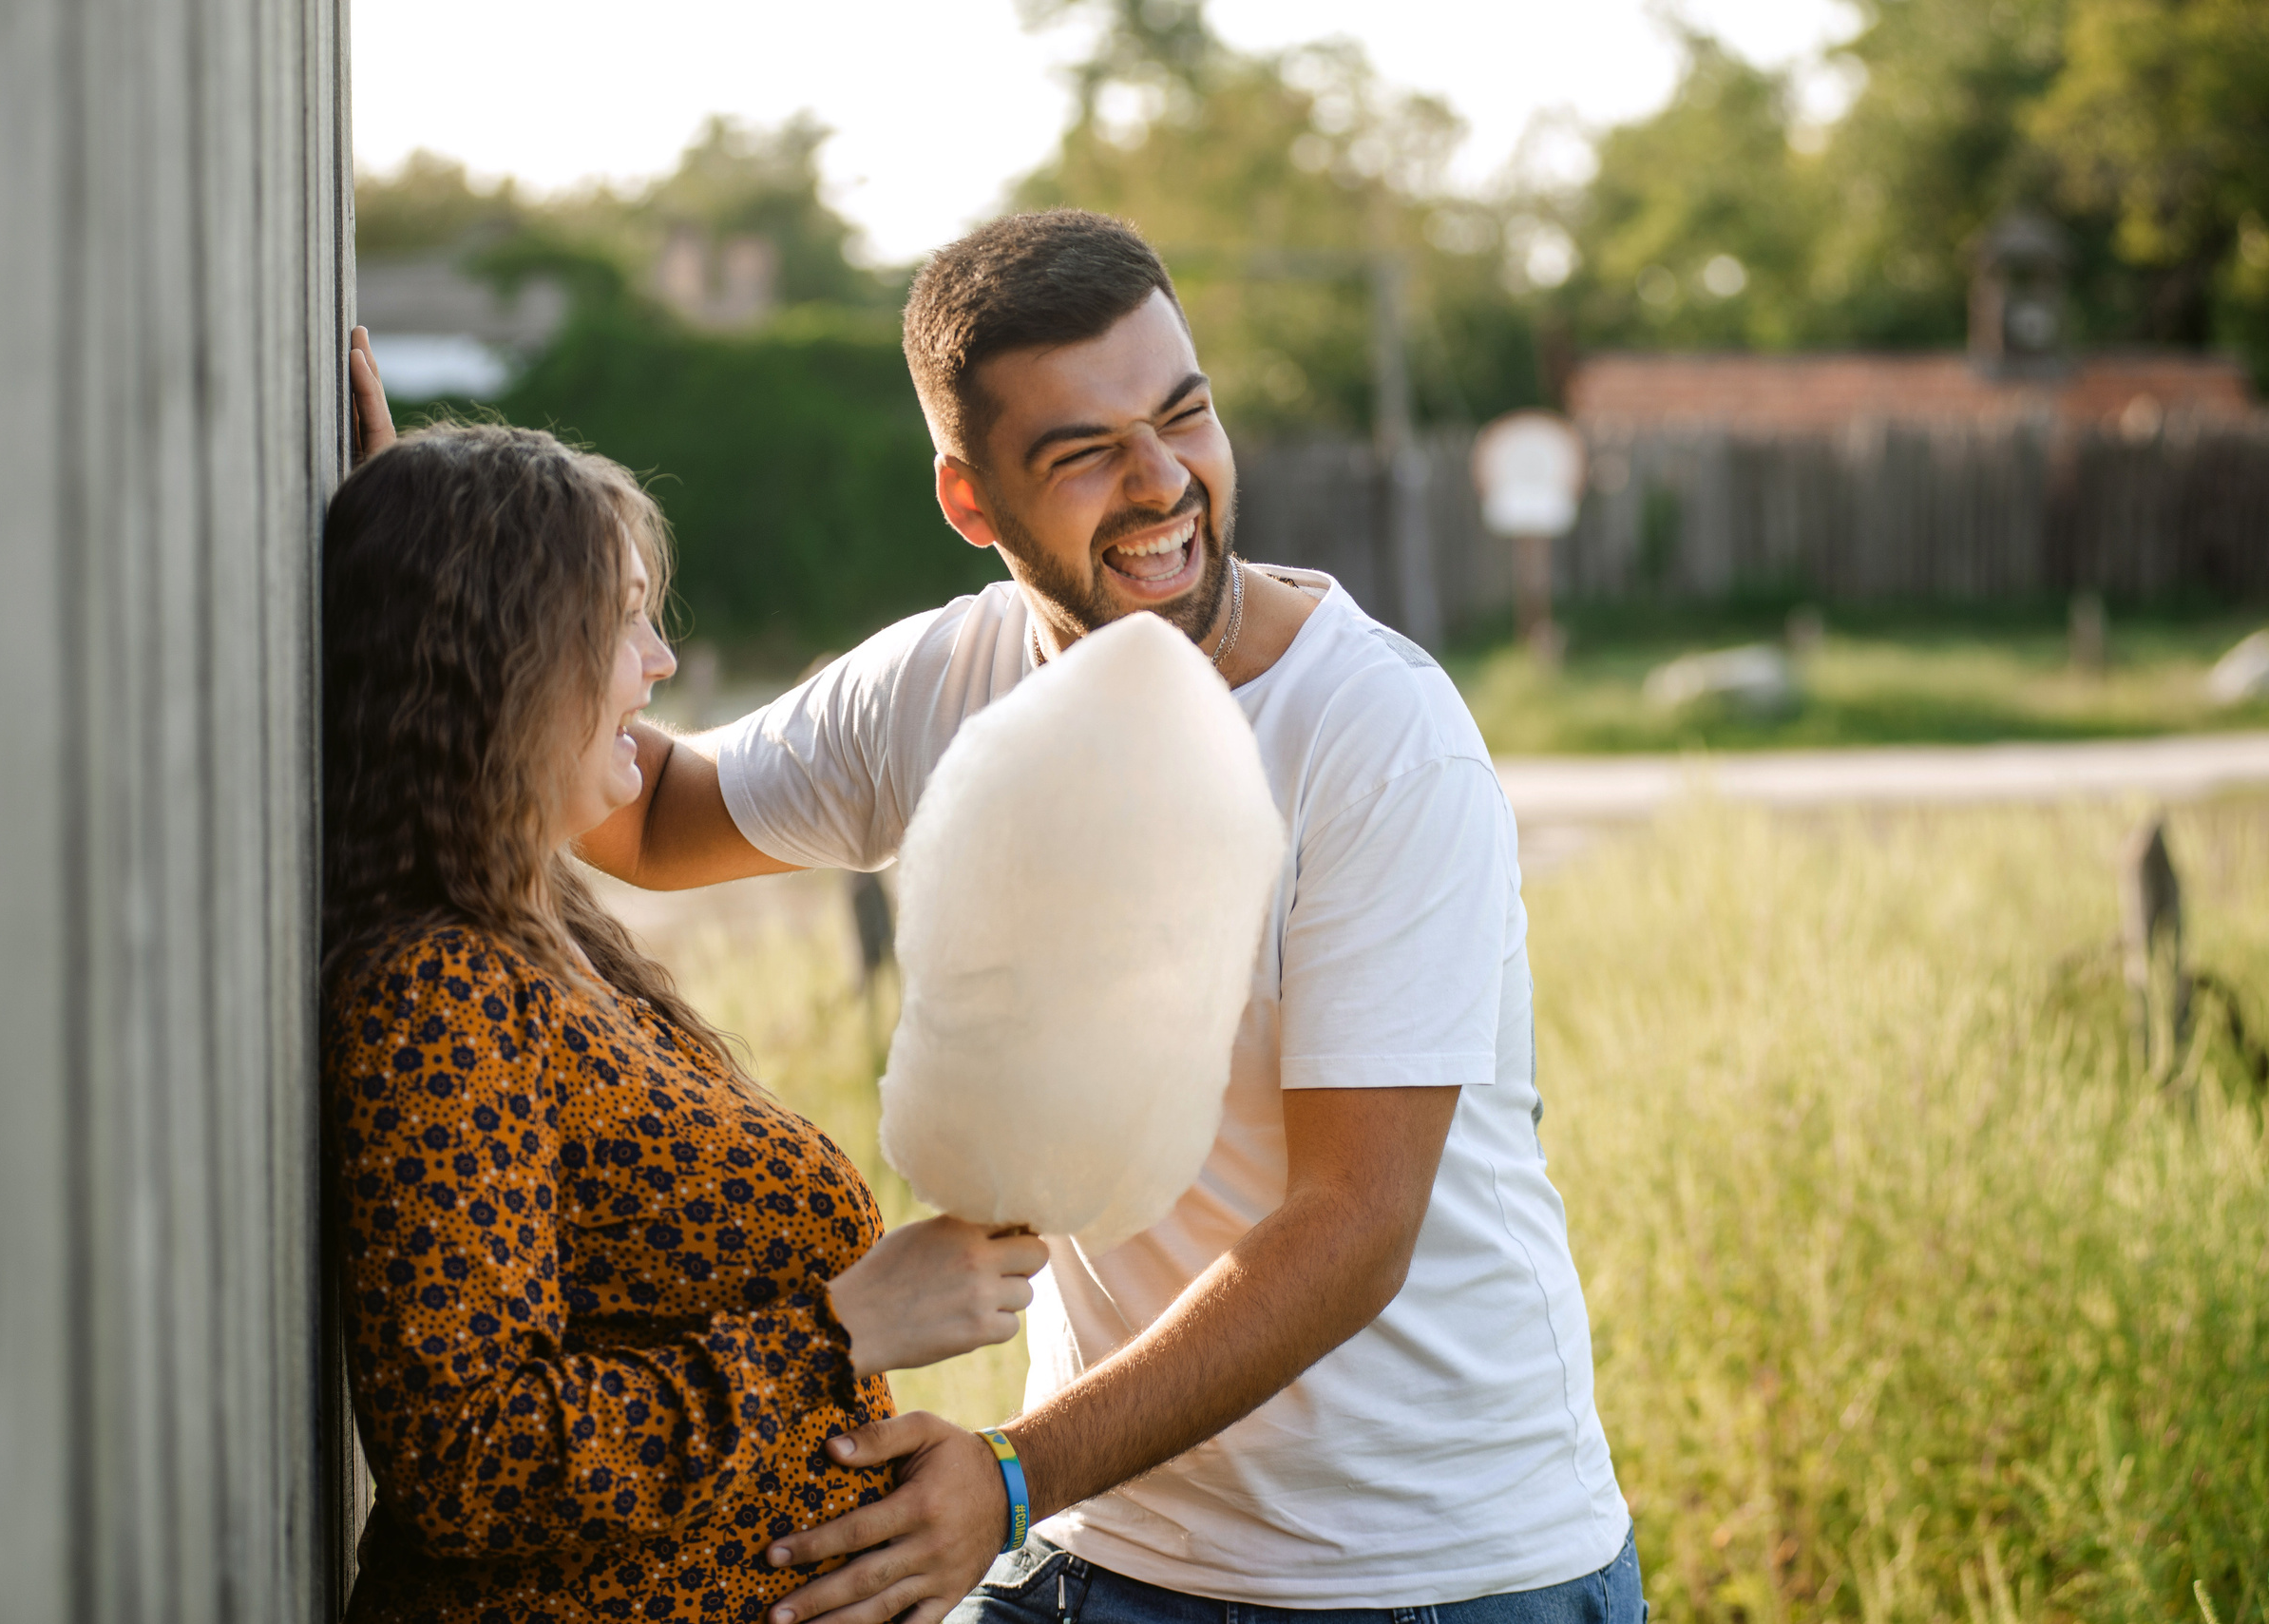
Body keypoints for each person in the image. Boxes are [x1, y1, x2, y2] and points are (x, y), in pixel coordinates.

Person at [352, 202, 1641, 1624]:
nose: (1165, 486)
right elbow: (652, 816)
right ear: (972, 502)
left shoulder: (1377, 735)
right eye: (1084, 452)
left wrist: (1015, 1478)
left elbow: (1352, 1224)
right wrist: (450, 580)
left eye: (1185, 415)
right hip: (1102, 1552)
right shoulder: (945, 683)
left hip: (1423, 1573)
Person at [318, 414, 1049, 1624]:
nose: (656, 663)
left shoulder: (527, 922)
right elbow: (470, 1460)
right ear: (506, 651)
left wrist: (423, 512)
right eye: (620, 620)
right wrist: (839, 1331)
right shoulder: (437, 996)